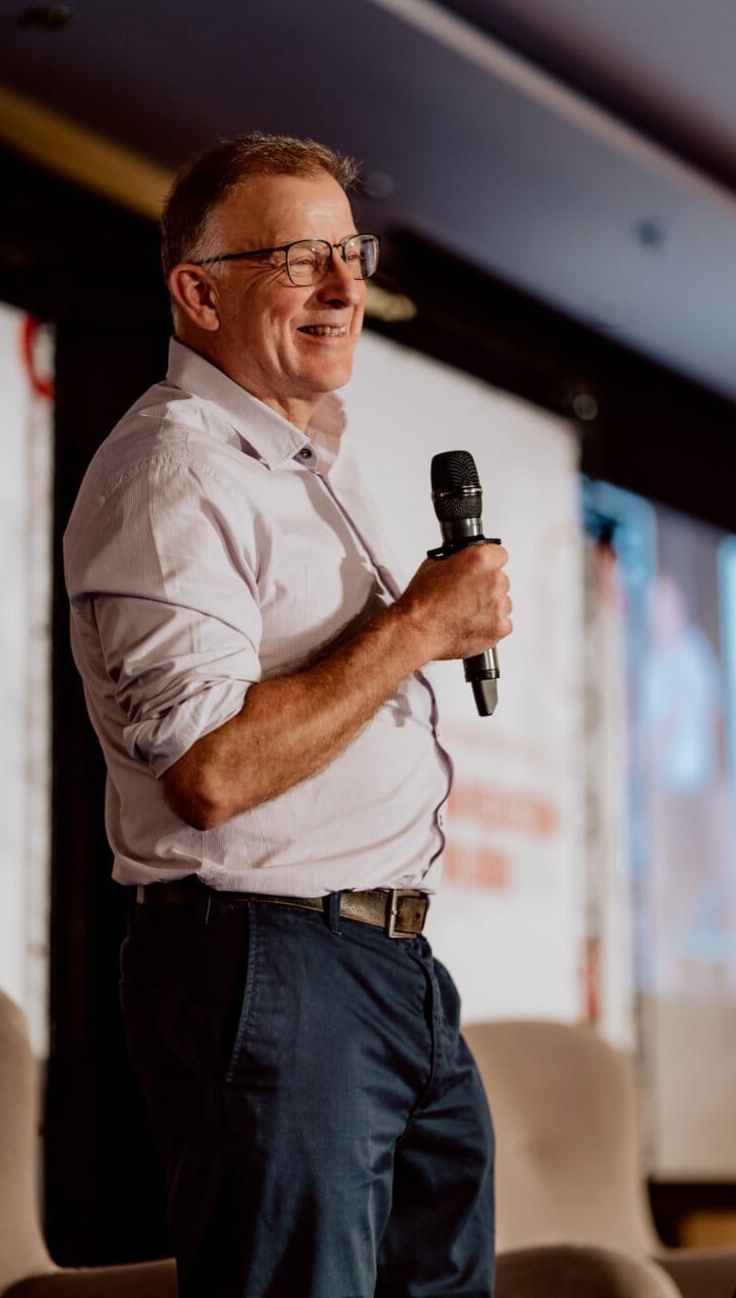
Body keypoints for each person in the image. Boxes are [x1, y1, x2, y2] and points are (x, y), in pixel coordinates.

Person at [64, 133, 512, 1298]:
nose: (344, 285)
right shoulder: (175, 470)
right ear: (198, 290)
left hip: (393, 964)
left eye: (350, 252)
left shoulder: (307, 463)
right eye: (298, 256)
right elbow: (206, 773)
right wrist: (415, 628)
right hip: (269, 956)